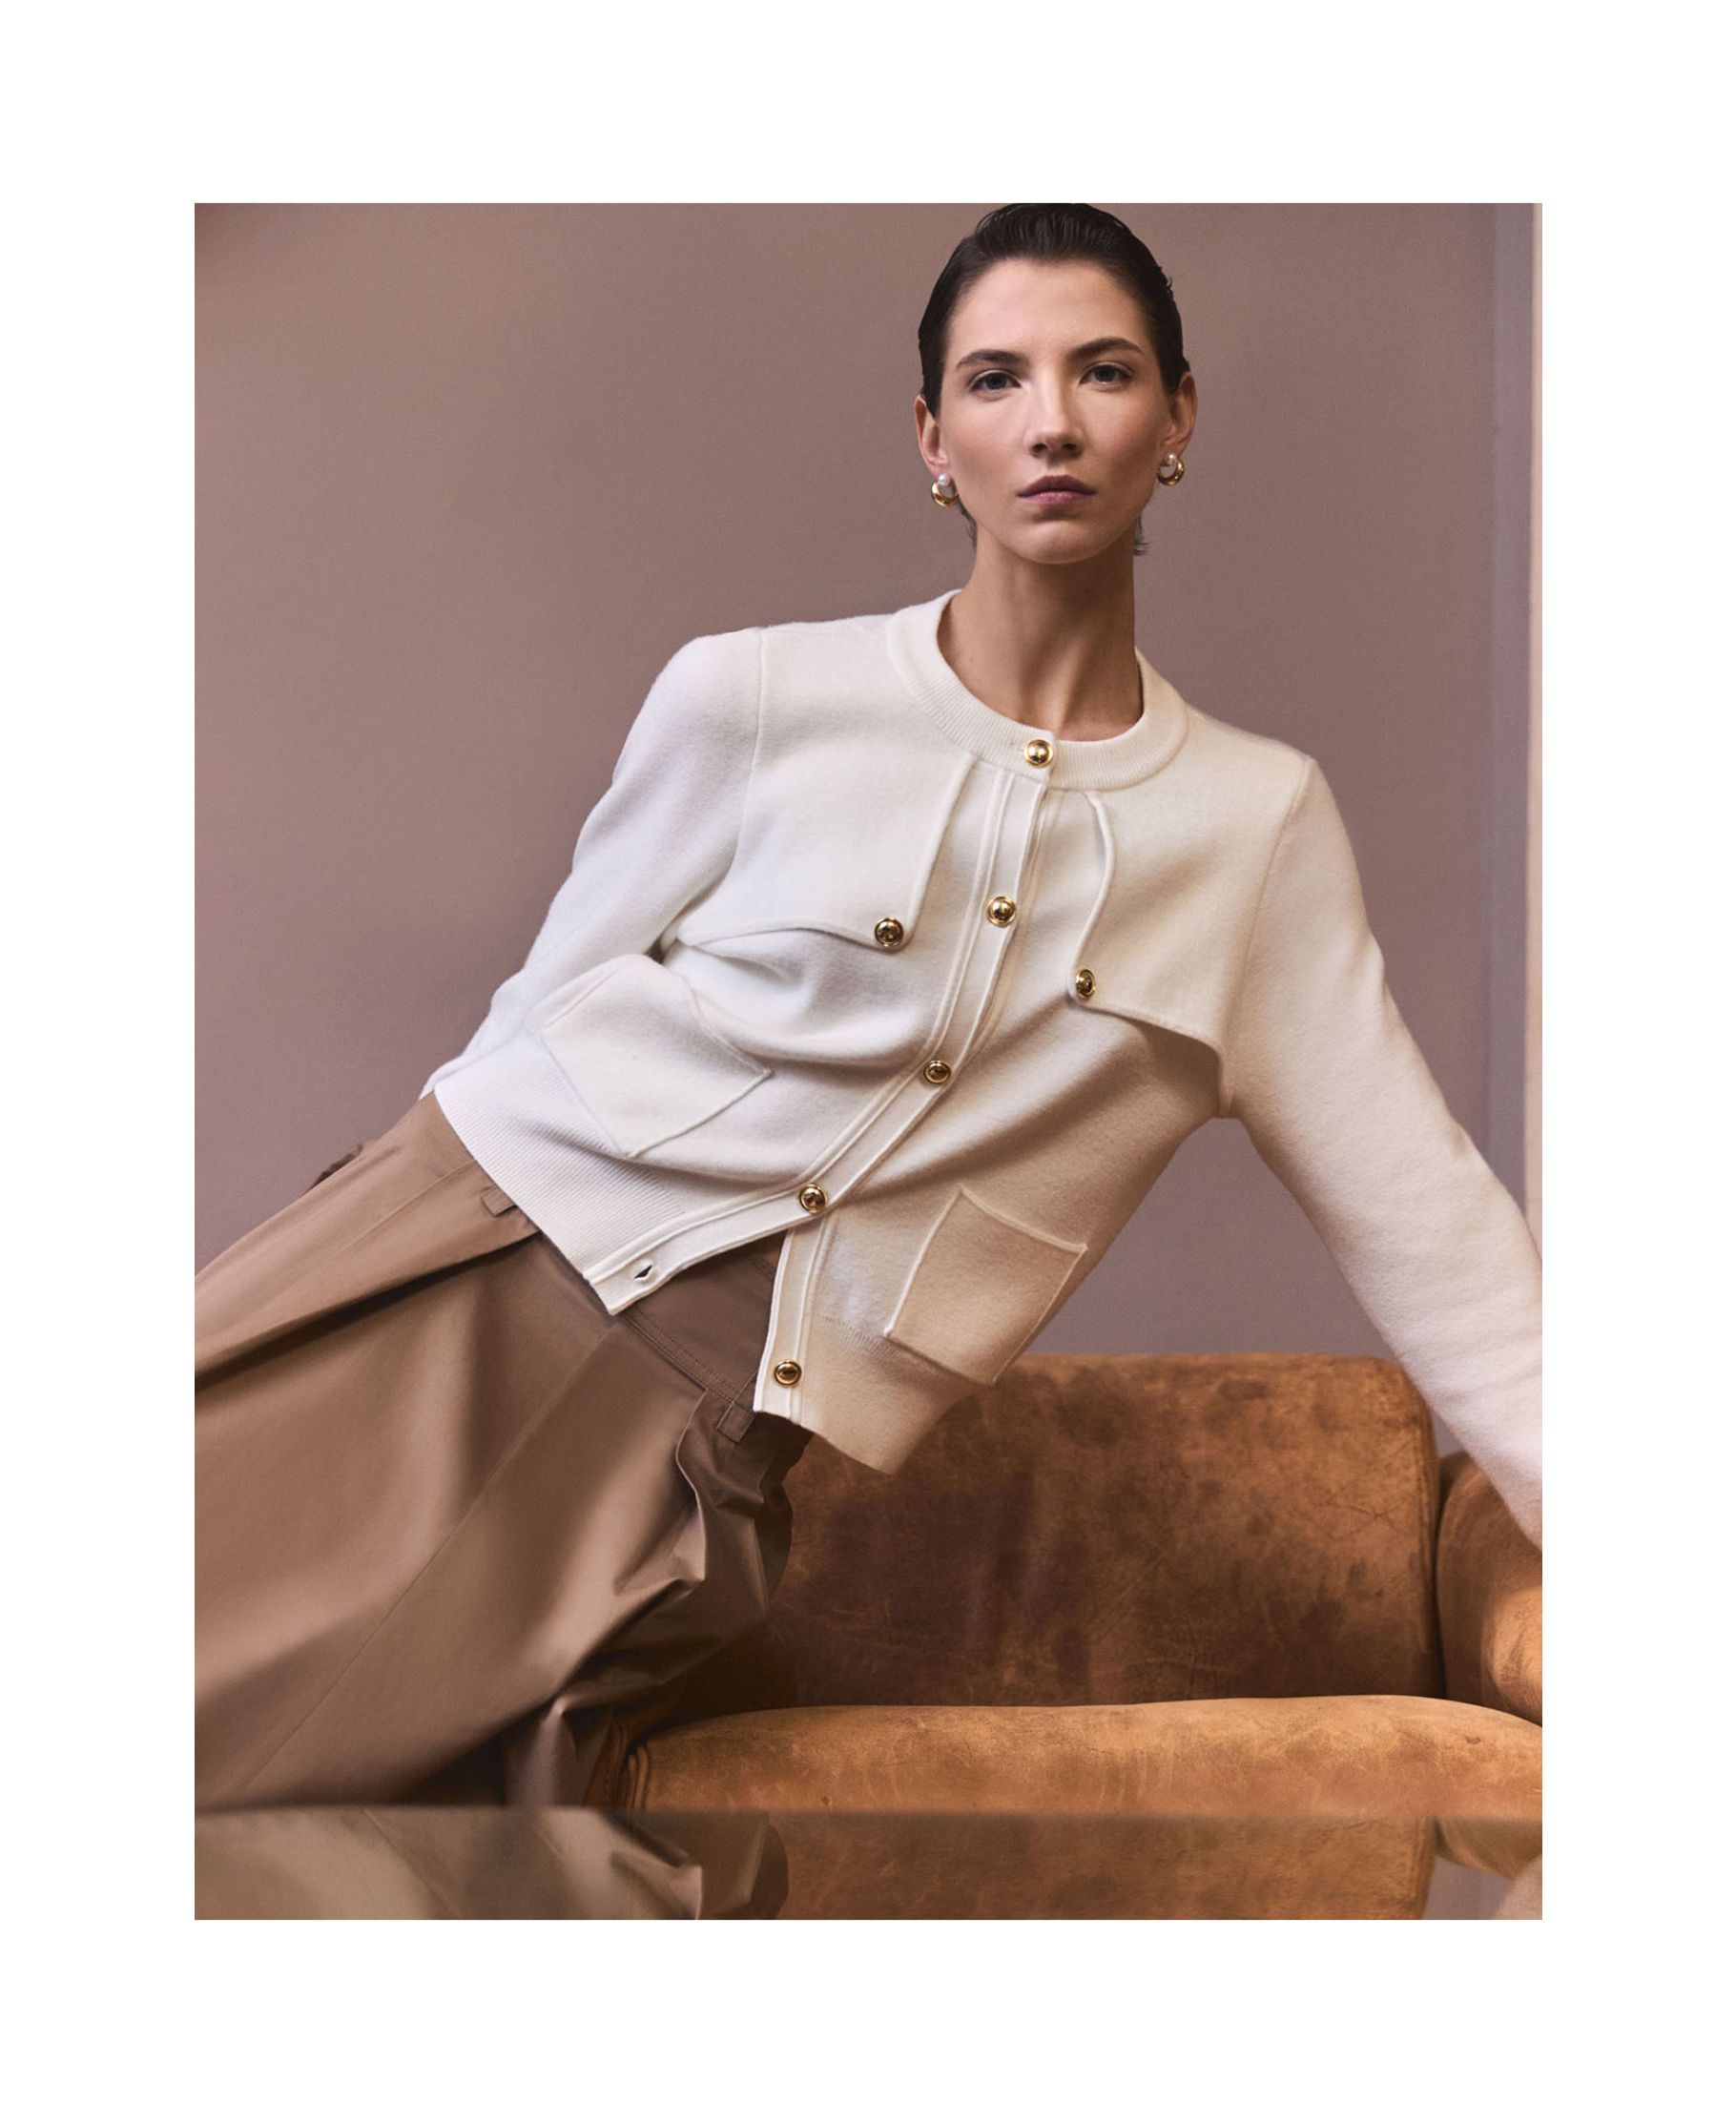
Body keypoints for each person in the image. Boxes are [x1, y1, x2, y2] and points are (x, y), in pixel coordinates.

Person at [196, 202, 1541, 1813]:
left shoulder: (1255, 834)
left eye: (1105, 371)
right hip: (453, 1265)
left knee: (365, 1827)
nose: (1051, 422)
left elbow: (1435, 1233)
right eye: (996, 379)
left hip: (689, 1448)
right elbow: (534, 1021)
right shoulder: (755, 696)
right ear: (932, 436)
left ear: (1178, 416)